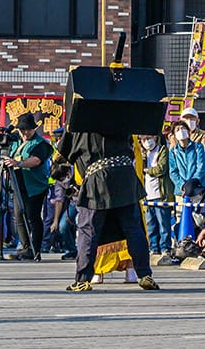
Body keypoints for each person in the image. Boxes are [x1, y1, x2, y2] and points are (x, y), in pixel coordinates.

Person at [57, 118, 158, 293]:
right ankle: (144, 274)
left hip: (97, 179)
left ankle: (82, 279)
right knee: (133, 228)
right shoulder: (121, 114)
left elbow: (62, 158)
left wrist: (65, 178)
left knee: (88, 230)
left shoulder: (78, 121)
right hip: (125, 177)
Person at [0, 112, 55, 260]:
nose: (24, 132)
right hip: (18, 184)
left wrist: (18, 163)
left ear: (33, 129)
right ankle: (25, 247)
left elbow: (36, 160)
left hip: (36, 186)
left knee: (33, 217)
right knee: (18, 216)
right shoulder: (16, 141)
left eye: (27, 129)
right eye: (21, 129)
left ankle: (35, 248)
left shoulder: (41, 143)